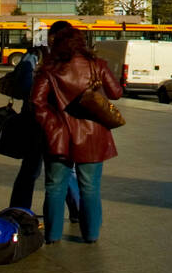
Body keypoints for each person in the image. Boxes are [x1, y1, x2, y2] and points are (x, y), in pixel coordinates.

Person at [31, 20, 123, 244]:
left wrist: (52, 125)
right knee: (90, 188)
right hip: (92, 135)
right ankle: (90, 234)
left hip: (58, 138)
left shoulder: (49, 69)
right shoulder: (97, 65)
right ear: (81, 43)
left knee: (54, 187)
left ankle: (52, 236)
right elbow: (116, 93)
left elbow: (36, 102)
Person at [10, 45, 80, 223]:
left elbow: (22, 89)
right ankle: (77, 210)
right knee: (64, 171)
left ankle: (18, 210)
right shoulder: (58, 67)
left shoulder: (32, 64)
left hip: (34, 125)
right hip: (52, 127)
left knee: (29, 171)